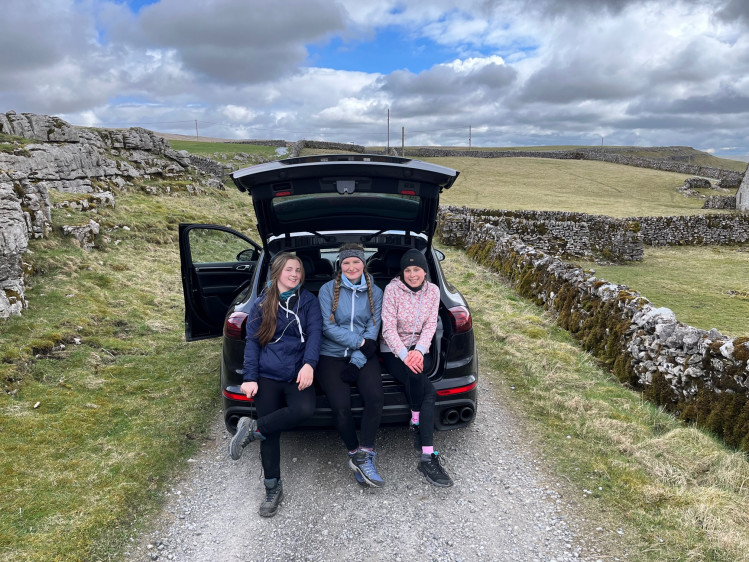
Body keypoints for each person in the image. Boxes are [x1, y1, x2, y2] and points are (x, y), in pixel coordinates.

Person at [228, 252, 322, 517]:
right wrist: (249, 378)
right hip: (268, 375)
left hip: (297, 373)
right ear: (278, 272)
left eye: (298, 271)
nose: (295, 275)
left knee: (304, 409)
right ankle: (272, 487)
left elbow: (315, 334)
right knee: (272, 433)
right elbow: (253, 344)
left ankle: (253, 429)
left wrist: (309, 365)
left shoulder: (308, 301)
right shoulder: (261, 304)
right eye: (290, 270)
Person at [380, 249, 454, 487]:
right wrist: (405, 355)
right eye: (408, 270)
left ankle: (415, 420)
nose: (412, 274)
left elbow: (431, 325)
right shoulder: (391, 290)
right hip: (393, 351)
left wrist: (419, 351)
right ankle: (427, 456)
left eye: (417, 269)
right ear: (402, 272)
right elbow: (388, 329)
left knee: (417, 375)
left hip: (421, 351)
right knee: (429, 392)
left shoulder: (433, 291)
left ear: (425, 271)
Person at [317, 243, 385, 487]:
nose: (351, 267)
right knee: (341, 406)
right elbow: (327, 327)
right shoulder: (327, 290)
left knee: (375, 397)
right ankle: (354, 453)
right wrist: (360, 342)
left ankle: (365, 453)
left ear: (363, 263)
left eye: (356, 261)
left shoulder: (375, 292)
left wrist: (357, 361)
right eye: (346, 262)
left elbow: (373, 326)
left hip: (363, 354)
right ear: (339, 265)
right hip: (331, 354)